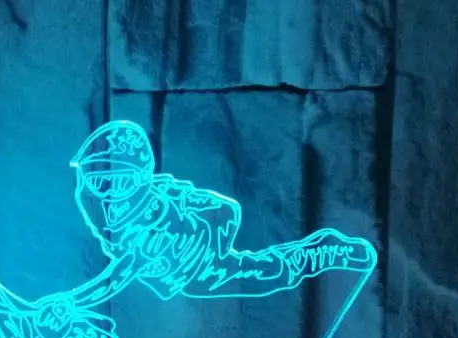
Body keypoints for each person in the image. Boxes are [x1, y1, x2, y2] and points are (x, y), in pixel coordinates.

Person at [61, 120, 376, 314]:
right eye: (98, 182)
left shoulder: (148, 229)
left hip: (202, 265)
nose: (108, 196)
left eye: (119, 183)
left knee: (268, 273)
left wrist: (69, 304)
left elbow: (114, 279)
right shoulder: (117, 210)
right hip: (178, 273)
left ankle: (322, 252)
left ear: (139, 180)